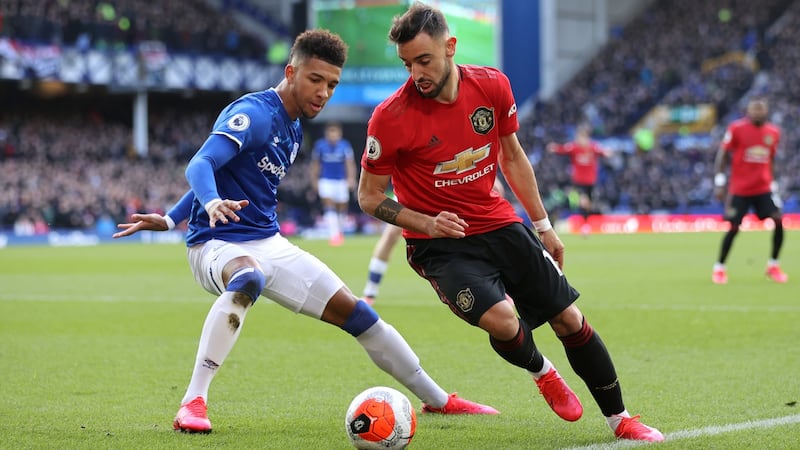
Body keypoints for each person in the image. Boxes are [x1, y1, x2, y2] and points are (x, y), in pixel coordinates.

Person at [113, 29, 498, 434]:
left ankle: (439, 400)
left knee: (359, 314)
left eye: (332, 84)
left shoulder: (295, 127)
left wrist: (172, 217)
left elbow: (226, 170)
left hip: (268, 242)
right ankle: (193, 401)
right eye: (315, 80)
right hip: (217, 243)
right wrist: (206, 207)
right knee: (248, 277)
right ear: (291, 71)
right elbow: (202, 164)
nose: (324, 92)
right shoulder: (256, 113)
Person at [357, 3, 664, 442]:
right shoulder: (390, 117)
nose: (416, 73)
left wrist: (544, 226)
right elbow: (369, 197)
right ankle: (543, 371)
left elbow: (513, 157)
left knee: (570, 319)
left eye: (424, 60)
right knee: (503, 321)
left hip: (499, 225)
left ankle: (622, 420)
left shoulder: (492, 86)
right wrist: (425, 222)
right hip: (441, 246)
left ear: (450, 47)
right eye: (408, 64)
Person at [362, 177, 506, 305]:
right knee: (390, 236)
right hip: (416, 190)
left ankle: (499, 288)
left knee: (475, 232)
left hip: (452, 189)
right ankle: (370, 291)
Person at [711, 96, 788, 284]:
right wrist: (720, 182)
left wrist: (774, 185)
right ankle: (719, 268)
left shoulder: (773, 132)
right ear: (748, 111)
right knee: (734, 228)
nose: (757, 112)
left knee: (778, 221)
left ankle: (773, 265)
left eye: (760, 109)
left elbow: (772, 160)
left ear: (766, 111)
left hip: (763, 187)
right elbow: (723, 155)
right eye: (754, 109)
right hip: (740, 189)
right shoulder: (736, 129)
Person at [546, 123, 611, 235]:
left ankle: (585, 225)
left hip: (590, 181)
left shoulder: (593, 147)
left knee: (588, 204)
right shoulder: (574, 148)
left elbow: (602, 151)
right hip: (579, 180)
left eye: (582, 137)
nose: (580, 139)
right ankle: (582, 225)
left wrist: (607, 152)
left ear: (586, 137)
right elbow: (563, 149)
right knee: (583, 201)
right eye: (578, 137)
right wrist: (554, 148)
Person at [310, 121, 357, 246]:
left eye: (335, 132)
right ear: (327, 133)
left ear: (339, 133)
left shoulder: (344, 146)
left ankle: (339, 232)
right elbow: (315, 164)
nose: (333, 135)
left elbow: (349, 163)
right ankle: (334, 235)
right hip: (326, 180)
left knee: (342, 206)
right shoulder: (320, 146)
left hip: (341, 180)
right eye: (331, 132)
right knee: (329, 204)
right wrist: (314, 180)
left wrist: (351, 178)